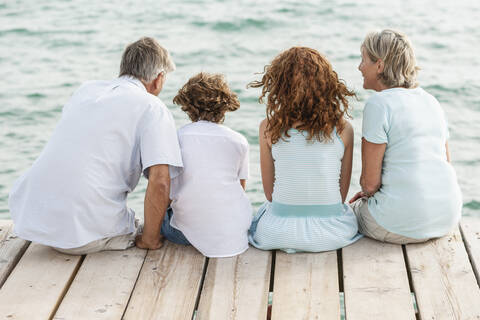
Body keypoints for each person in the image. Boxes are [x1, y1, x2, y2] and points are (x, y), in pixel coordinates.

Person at [8, 37, 183, 254]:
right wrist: (150, 240)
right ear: (159, 79)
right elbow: (160, 181)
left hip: (37, 222)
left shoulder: (86, 90)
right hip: (85, 236)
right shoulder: (152, 106)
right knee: (139, 224)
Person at [349, 29, 462, 244]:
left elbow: (370, 185)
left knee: (347, 214)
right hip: (446, 217)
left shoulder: (378, 104)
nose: (359, 67)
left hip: (398, 224)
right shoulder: (431, 101)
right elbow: (444, 162)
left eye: (363, 60)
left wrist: (364, 195)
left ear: (379, 66)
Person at [248, 47, 361, 253]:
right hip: (332, 232)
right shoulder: (343, 129)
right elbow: (341, 195)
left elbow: (270, 194)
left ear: (280, 87)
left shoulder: (268, 127)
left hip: (278, 232)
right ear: (326, 85)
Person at [162, 72, 252, 257]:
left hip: (183, 235)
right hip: (234, 231)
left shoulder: (176, 138)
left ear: (187, 106)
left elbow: (165, 190)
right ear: (224, 108)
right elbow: (240, 190)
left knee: (163, 214)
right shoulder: (239, 141)